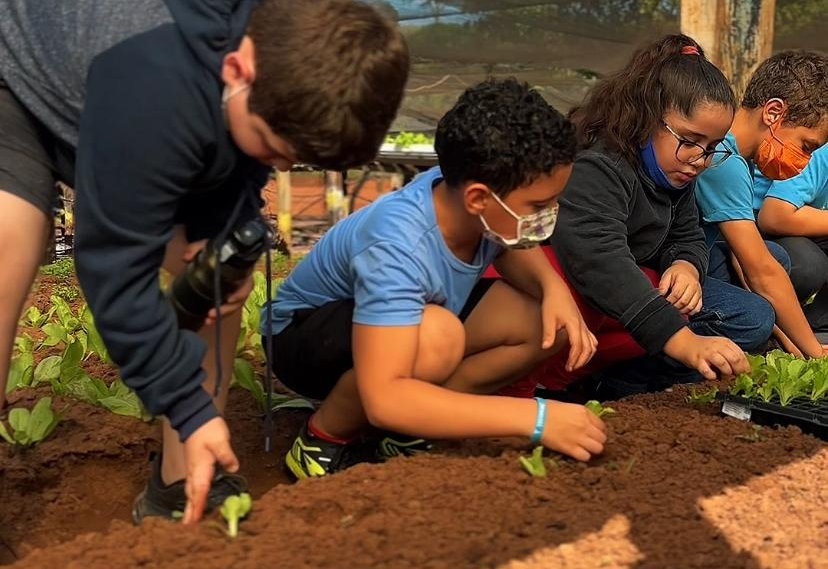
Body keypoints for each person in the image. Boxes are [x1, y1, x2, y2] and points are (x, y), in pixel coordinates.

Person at [0, 0, 409, 524]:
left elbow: (239, 160)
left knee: (219, 275)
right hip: (18, 82)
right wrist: (190, 410)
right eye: (273, 149)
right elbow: (112, 270)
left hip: (137, 100)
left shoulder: (278, 47)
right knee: (13, 242)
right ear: (238, 70)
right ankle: (195, 434)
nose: (281, 167)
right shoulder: (155, 83)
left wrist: (225, 231)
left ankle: (180, 486)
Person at [262, 78, 607, 479]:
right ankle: (322, 440)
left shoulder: (463, 200)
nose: (548, 215)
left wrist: (553, 289)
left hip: (391, 327)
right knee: (438, 337)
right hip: (301, 339)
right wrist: (537, 417)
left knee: (544, 323)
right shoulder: (398, 245)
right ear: (478, 198)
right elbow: (384, 397)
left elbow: (510, 242)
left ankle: (410, 430)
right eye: (538, 205)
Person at [503, 35, 759, 400]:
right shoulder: (599, 166)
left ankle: (625, 383)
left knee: (750, 315)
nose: (699, 160)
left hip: (628, 294)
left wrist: (686, 265)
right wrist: (682, 340)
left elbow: (687, 235)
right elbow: (601, 263)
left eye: (712, 148)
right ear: (647, 117)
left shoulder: (677, 176)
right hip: (575, 294)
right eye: (689, 140)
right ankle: (567, 385)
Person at [695, 51, 828, 358]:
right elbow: (760, 273)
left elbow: (747, 263)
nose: (805, 161)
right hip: (673, 267)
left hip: (703, 254)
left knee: (775, 258)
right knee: (755, 318)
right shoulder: (724, 161)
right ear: (772, 113)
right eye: (806, 146)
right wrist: (814, 353)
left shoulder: (739, 158)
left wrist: (791, 344)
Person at [757, 145, 828, 332]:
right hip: (752, 225)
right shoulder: (820, 148)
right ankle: (776, 324)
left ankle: (817, 320)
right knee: (809, 265)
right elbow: (774, 217)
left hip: (802, 225)